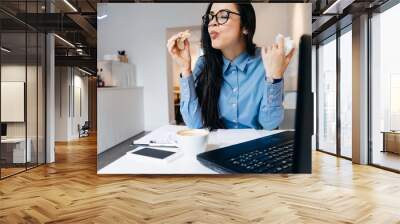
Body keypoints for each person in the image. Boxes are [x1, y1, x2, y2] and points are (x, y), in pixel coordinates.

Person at [167, 2, 295, 130]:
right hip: (216, 147)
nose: (212, 23)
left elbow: (269, 124)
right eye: (210, 17)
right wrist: (185, 69)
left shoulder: (267, 61)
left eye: (223, 16)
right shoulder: (204, 64)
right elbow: (195, 124)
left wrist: (274, 78)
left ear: (246, 26)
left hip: (255, 147)